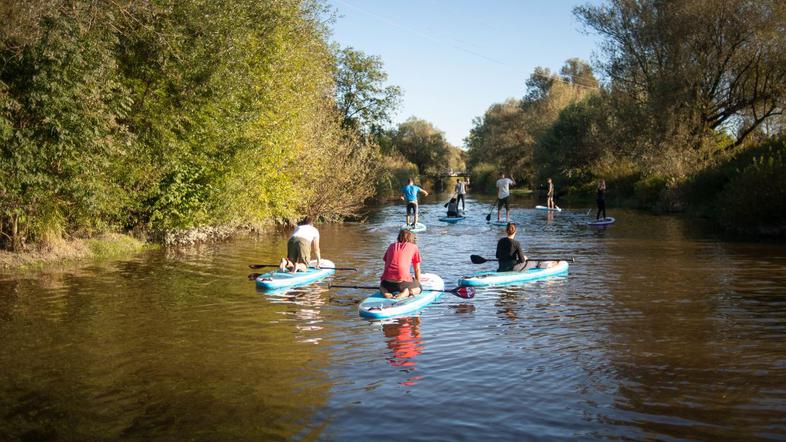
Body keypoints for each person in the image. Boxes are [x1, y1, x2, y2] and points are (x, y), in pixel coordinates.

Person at [380, 229, 422, 300]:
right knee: (420, 288)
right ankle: (407, 292)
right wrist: (418, 284)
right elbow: (417, 269)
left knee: (381, 286)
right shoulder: (414, 247)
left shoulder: (391, 246)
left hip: (387, 283)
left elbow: (386, 264)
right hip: (402, 284)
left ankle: (385, 292)